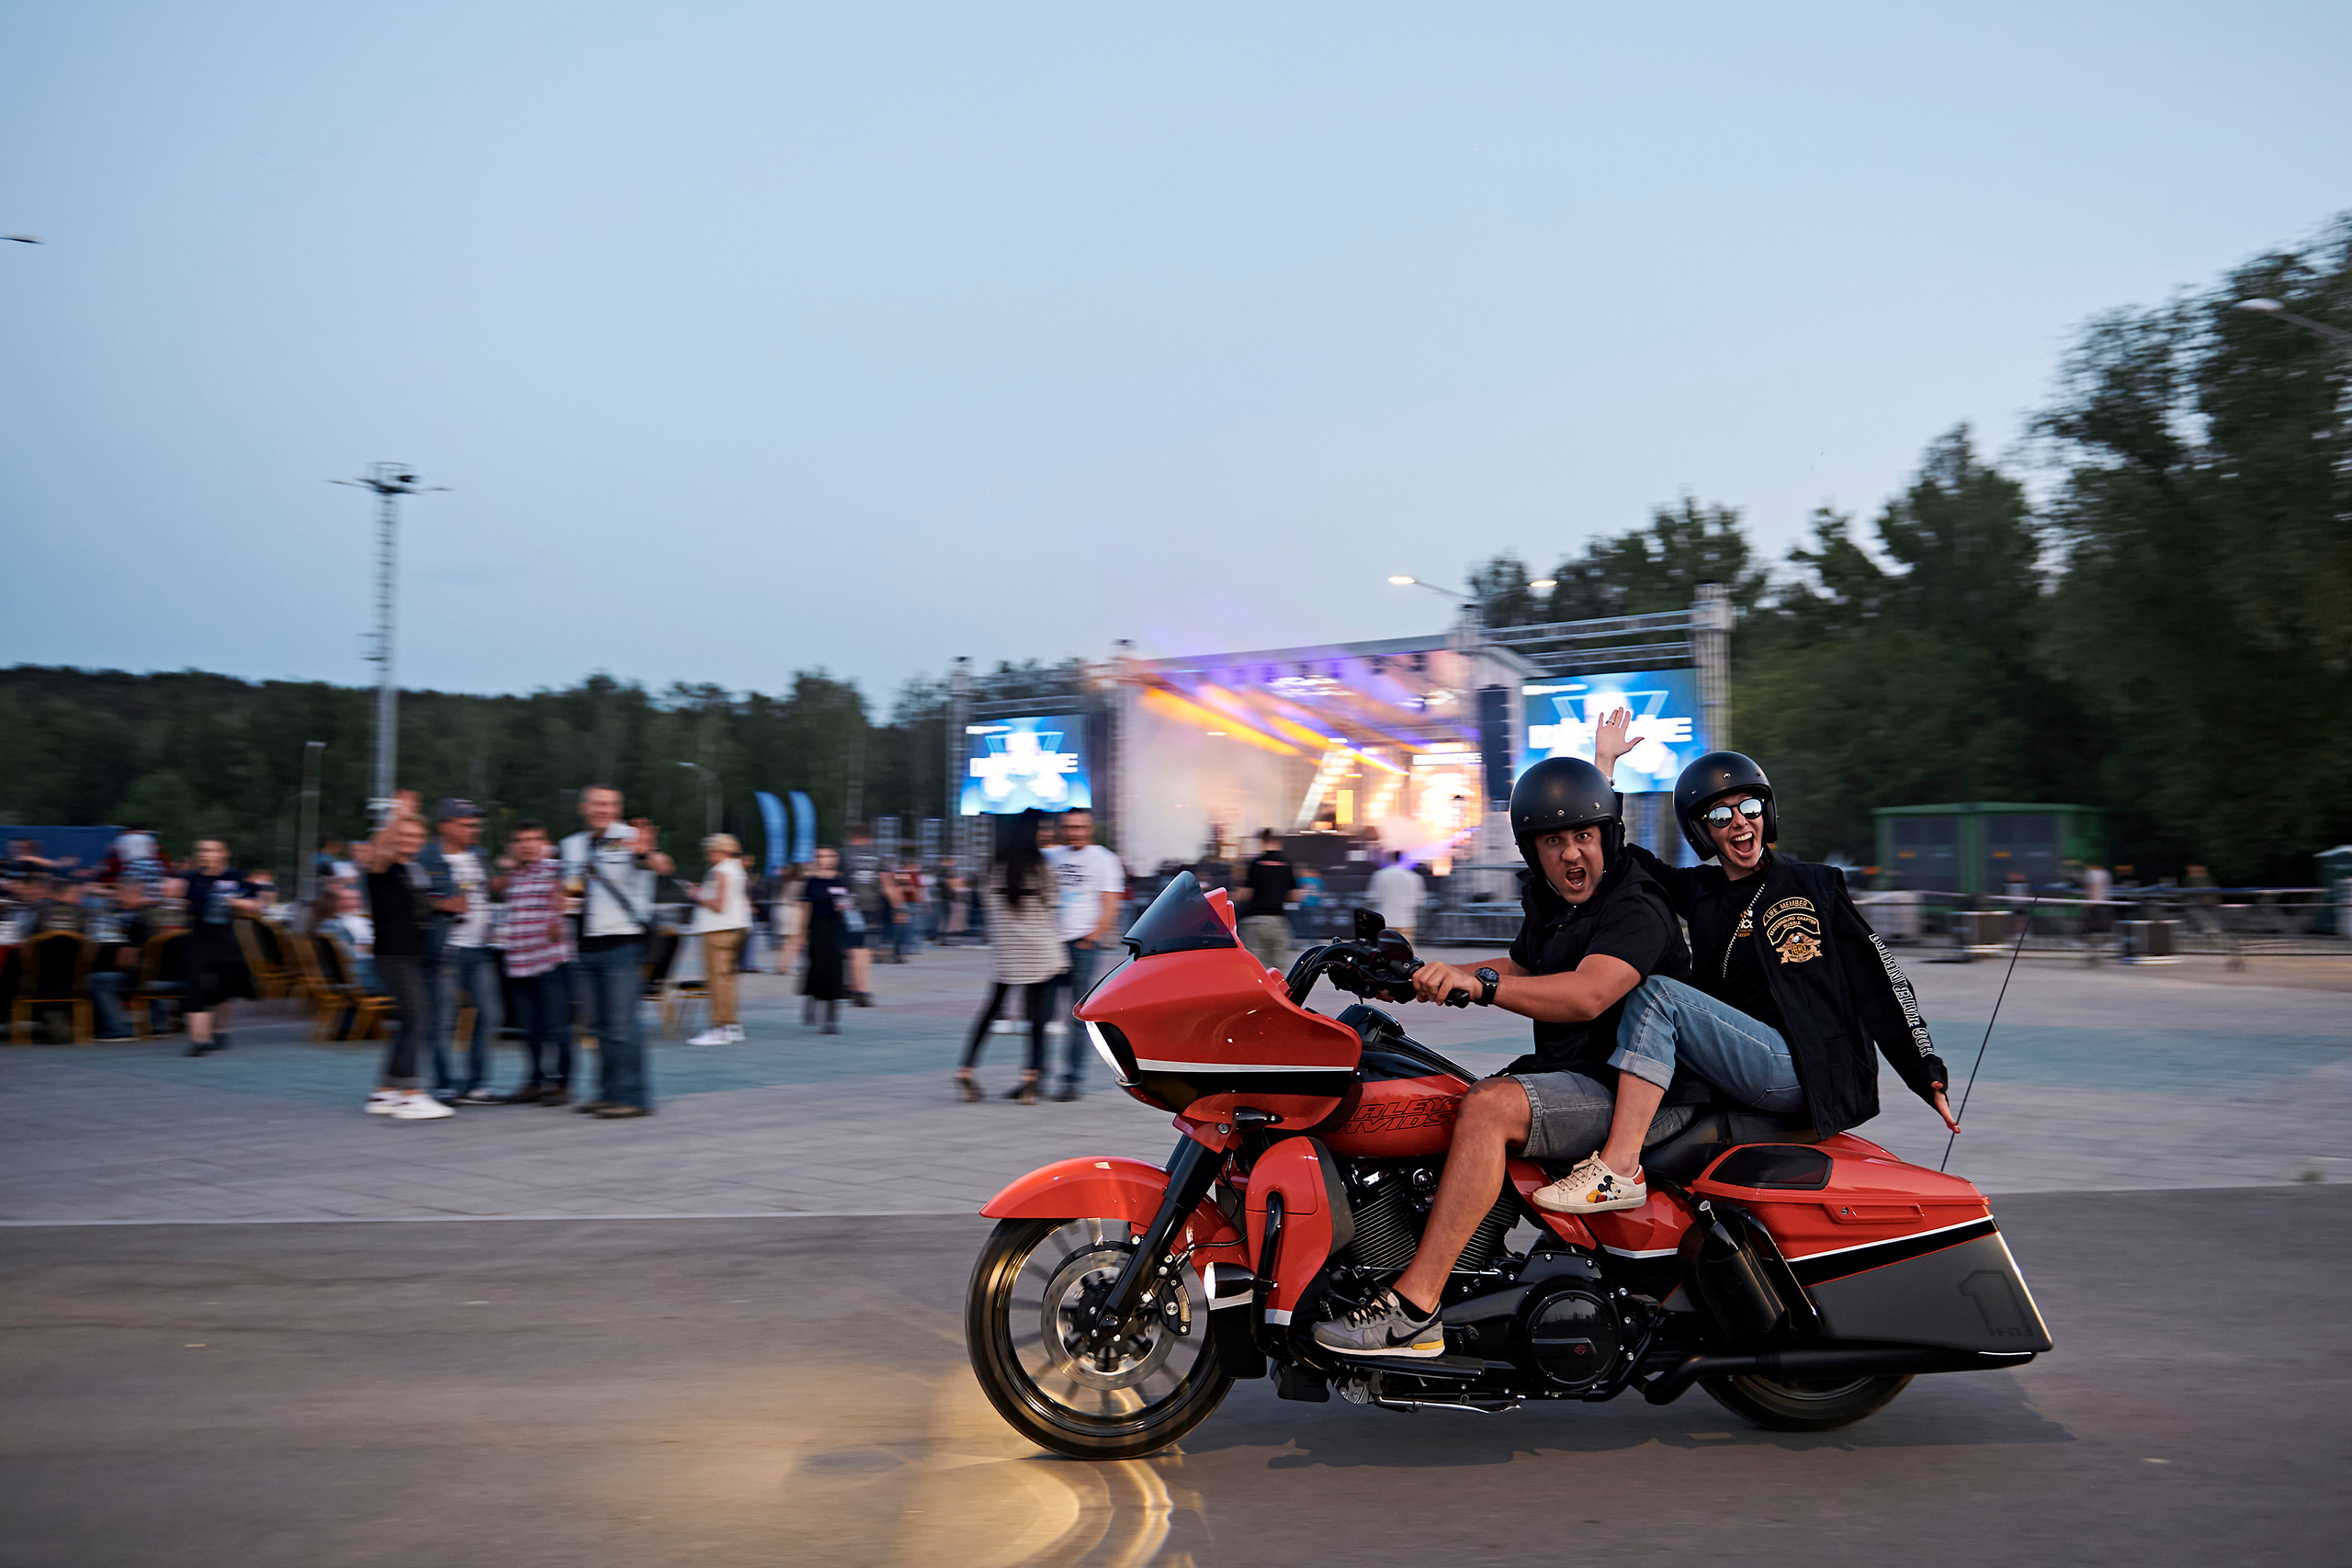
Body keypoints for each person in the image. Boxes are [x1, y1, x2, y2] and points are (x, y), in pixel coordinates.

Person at [1313, 758, 1694, 1359]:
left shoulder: (1635, 904)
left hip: (1636, 1091)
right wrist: (1420, 977)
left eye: (1584, 836)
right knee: (1444, 1099)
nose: (1572, 854)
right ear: (1532, 849)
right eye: (1554, 840)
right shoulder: (1559, 905)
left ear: (1606, 837)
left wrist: (1482, 985)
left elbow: (1585, 993)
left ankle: (1414, 1307)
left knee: (1488, 1108)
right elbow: (1526, 969)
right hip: (1576, 1073)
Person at [1521, 715, 1962, 1219]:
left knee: (1659, 993)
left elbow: (1882, 979)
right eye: (1720, 817)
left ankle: (1619, 1168)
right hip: (1740, 1061)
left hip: (1805, 1066)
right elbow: (1618, 859)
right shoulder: (1700, 891)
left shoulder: (1815, 885)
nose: (1739, 823)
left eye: (1748, 808)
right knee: (1653, 992)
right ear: (1702, 831)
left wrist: (1927, 1072)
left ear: (1766, 813)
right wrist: (1604, 769)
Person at [560, 786, 673, 1119]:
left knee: (623, 1025)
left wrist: (648, 853)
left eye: (609, 804)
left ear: (618, 808)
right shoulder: (571, 845)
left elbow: (662, 865)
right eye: (597, 803)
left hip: (622, 944)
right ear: (585, 807)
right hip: (583, 945)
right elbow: (567, 886)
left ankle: (634, 1098)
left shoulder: (631, 837)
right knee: (598, 1027)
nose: (603, 809)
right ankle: (607, 1092)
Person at [957, 810, 1066, 1104]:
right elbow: (1051, 902)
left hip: (1007, 952)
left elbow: (987, 904)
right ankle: (1030, 1080)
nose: (1046, 834)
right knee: (1036, 1018)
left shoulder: (994, 866)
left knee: (991, 1010)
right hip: (1039, 951)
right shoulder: (1039, 865)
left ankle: (965, 1069)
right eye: (1042, 829)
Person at [355, 817, 453, 1120]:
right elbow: (379, 849)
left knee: (408, 1019)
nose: (411, 839)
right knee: (418, 1014)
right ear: (392, 837)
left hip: (410, 955)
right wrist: (398, 813)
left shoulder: (413, 869)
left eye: (417, 834)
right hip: (392, 955)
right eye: (404, 835)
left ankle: (385, 1091)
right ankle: (409, 1094)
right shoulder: (381, 868)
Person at [420, 799, 501, 1104]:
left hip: (479, 948)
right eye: (465, 824)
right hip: (445, 949)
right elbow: (409, 897)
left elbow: (486, 890)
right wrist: (440, 904)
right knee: (443, 1019)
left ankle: (476, 1084)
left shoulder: (479, 856)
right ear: (444, 826)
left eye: (475, 824)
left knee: (490, 1013)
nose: (472, 829)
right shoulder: (426, 857)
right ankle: (444, 1085)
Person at [1043, 807, 1125, 1101]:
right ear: (1062, 828)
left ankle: (1071, 1079)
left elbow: (1111, 904)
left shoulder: (1104, 859)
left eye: (1080, 827)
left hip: (1082, 946)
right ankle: (1035, 1076)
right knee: (1040, 1011)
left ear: (1089, 828)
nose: (1074, 832)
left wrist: (1092, 937)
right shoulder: (1052, 856)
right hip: (1051, 944)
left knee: (1077, 1017)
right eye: (1070, 827)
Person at [496, 819, 575, 1104]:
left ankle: (563, 1085)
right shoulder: (515, 874)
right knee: (528, 1029)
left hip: (550, 960)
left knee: (557, 1026)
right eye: (521, 839)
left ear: (545, 842)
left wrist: (560, 911)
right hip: (518, 962)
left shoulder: (556, 868)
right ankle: (535, 1080)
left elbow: (569, 894)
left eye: (533, 839)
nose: (526, 844)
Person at [172, 837, 269, 1058]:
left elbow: (258, 905)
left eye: (212, 850)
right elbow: (180, 902)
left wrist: (239, 903)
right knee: (195, 986)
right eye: (202, 850)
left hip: (226, 940)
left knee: (223, 987)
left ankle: (220, 1031)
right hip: (198, 939)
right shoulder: (191, 878)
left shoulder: (235, 877)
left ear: (223, 853)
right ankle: (199, 1040)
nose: (206, 854)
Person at [684, 832, 752, 1045]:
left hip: (718, 930)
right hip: (737, 927)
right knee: (728, 980)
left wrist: (696, 894)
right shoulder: (738, 868)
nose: (708, 855)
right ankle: (732, 1026)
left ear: (720, 851)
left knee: (716, 981)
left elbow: (718, 904)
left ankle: (719, 1027)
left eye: (711, 851)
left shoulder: (721, 870)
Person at [799, 847, 854, 1032]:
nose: (825, 859)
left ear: (835, 858)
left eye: (829, 856)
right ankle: (811, 1002)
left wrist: (845, 907)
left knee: (835, 972)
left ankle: (831, 1019)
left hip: (835, 930)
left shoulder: (841, 881)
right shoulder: (811, 883)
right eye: (820, 856)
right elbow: (805, 909)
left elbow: (848, 906)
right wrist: (801, 934)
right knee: (816, 968)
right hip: (816, 929)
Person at [1237, 829, 1296, 978]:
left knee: (1256, 968)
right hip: (1277, 921)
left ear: (1262, 842)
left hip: (1255, 922)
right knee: (1278, 969)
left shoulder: (1256, 863)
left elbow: (1246, 894)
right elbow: (1295, 896)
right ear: (1279, 842)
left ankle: (1258, 998)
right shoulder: (1286, 864)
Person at [1368, 851, 1425, 943]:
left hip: (1385, 921)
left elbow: (1373, 897)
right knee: (1405, 952)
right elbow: (1419, 901)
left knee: (1384, 952)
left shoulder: (1380, 875)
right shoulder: (1413, 877)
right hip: (1406, 921)